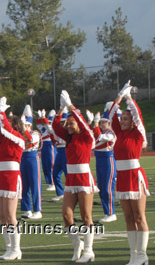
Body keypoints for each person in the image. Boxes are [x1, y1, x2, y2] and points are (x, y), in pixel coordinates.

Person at [52, 90, 98, 263]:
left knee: (86, 216)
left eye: (72, 123)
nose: (69, 126)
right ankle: (77, 244)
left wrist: (71, 106)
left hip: (84, 179)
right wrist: (61, 110)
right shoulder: (67, 138)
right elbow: (56, 126)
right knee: (66, 215)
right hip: (71, 179)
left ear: (79, 124)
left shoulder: (86, 136)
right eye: (68, 124)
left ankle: (89, 250)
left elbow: (84, 124)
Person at [109, 80, 150, 265]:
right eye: (122, 119)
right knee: (128, 217)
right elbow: (110, 115)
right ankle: (133, 255)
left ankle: (142, 255)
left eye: (126, 119)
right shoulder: (118, 133)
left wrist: (129, 99)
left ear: (132, 122)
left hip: (135, 175)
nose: (122, 121)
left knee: (139, 216)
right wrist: (119, 96)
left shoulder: (138, 134)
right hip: (123, 177)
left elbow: (138, 115)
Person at [0, 97, 24, 261]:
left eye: (9, 122)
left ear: (15, 125)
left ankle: (16, 249)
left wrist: (2, 112)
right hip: (0, 177)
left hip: (11, 177)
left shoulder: (19, 139)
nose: (5, 124)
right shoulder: (2, 139)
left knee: (10, 215)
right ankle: (9, 248)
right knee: (2, 215)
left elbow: (7, 128)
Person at [90, 104, 117, 223]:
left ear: (109, 122)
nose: (102, 124)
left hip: (108, 160)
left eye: (104, 122)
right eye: (101, 122)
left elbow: (100, 137)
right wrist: (91, 122)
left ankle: (111, 213)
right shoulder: (101, 132)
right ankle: (107, 212)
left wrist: (95, 124)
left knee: (107, 188)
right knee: (101, 188)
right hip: (99, 160)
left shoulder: (111, 133)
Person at [20, 105, 42, 220]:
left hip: (32, 158)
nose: (25, 128)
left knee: (35, 184)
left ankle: (37, 210)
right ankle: (27, 209)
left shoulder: (35, 133)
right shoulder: (21, 133)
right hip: (22, 158)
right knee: (24, 185)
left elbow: (30, 142)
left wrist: (23, 129)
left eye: (26, 125)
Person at [36, 109, 57, 192]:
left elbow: (48, 126)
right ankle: (49, 182)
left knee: (51, 164)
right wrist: (39, 117)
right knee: (45, 165)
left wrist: (43, 117)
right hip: (44, 146)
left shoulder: (51, 127)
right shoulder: (44, 128)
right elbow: (38, 125)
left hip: (50, 145)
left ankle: (53, 183)